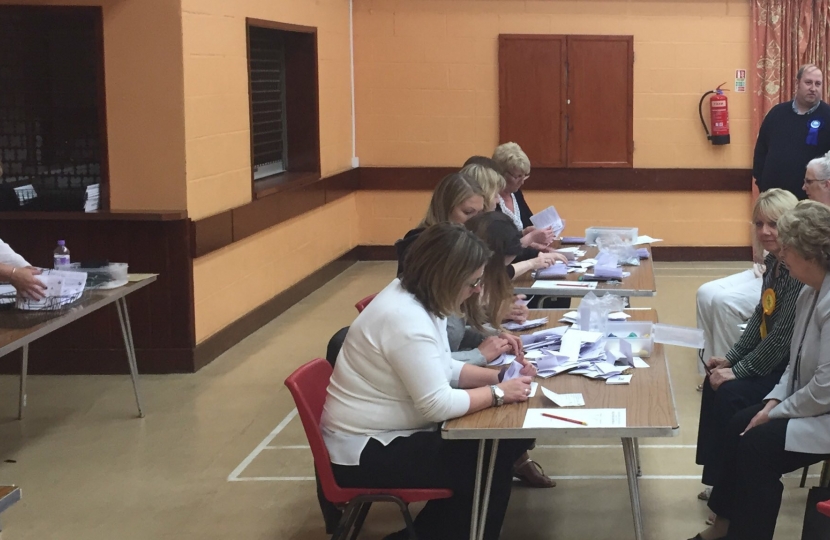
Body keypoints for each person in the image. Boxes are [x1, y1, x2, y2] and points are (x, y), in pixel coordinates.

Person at [322, 223, 536, 540]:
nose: (478, 290)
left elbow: (442, 365)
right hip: (367, 451)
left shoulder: (422, 298)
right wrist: (498, 393)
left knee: (499, 449)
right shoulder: (404, 318)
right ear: (446, 278)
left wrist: (498, 376)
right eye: (473, 282)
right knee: (487, 460)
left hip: (389, 435)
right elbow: (437, 404)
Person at [689, 200, 830, 540]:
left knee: (756, 448)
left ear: (809, 254)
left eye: (788, 250)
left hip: (823, 412)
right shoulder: (809, 293)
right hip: (811, 405)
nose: (782, 256)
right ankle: (726, 527)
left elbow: (826, 385)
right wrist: (773, 402)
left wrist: (780, 410)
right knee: (741, 426)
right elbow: (794, 364)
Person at [695, 189, 802, 505]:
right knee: (713, 381)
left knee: (730, 392)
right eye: (759, 224)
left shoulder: (797, 271)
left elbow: (782, 339)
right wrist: (729, 359)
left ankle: (725, 486)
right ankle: (715, 476)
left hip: (789, 370)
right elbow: (761, 317)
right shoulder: (774, 263)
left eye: (774, 223)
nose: (765, 231)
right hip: (771, 360)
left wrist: (738, 370)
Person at [753, 64, 830, 199]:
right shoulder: (776, 113)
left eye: (818, 84)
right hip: (775, 201)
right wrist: (762, 182)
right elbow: (761, 152)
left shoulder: (828, 115)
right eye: (808, 82)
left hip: (811, 204)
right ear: (797, 83)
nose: (813, 88)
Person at [395, 172, 485, 275]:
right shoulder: (421, 244)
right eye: (468, 212)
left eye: (480, 212)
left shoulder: (473, 238)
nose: (476, 220)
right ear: (445, 208)